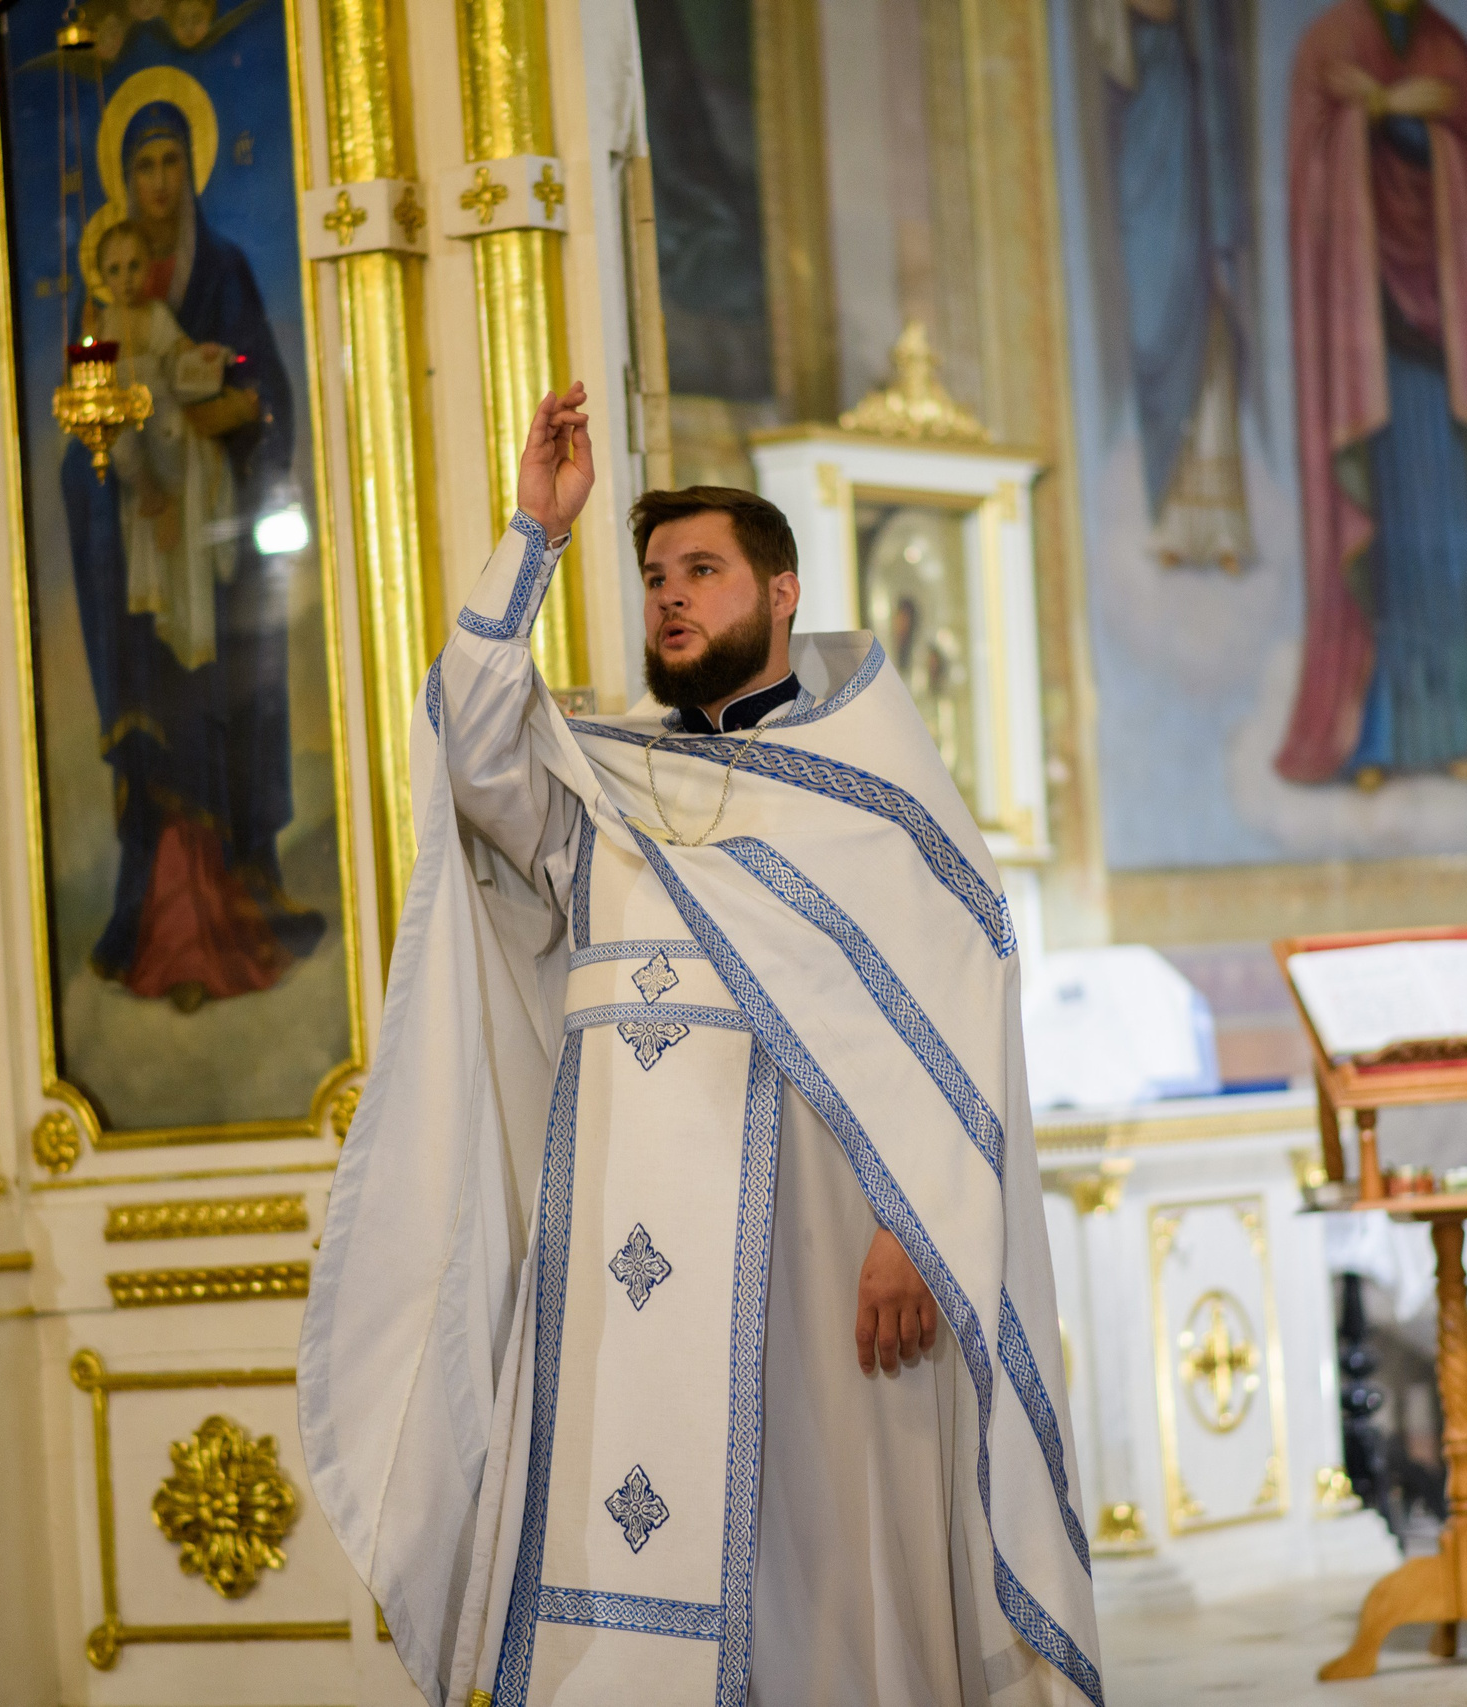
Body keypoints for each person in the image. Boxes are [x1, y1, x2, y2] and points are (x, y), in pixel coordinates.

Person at [300, 385, 1101, 1706]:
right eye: (656, 576)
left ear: (782, 593)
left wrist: (912, 1224)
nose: (670, 595)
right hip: (620, 1277)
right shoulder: (607, 791)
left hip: (826, 1268)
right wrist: (535, 534)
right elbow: (469, 747)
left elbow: (954, 1026)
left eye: (703, 571)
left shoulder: (875, 802)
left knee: (839, 1578)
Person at [60, 95, 317, 1012]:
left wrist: (227, 417)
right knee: (158, 724)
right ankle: (157, 917)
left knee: (232, 703)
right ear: (124, 180)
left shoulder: (226, 273)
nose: (160, 180)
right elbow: (84, 433)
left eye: (172, 160)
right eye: (144, 165)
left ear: (193, 171)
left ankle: (247, 889)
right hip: (137, 553)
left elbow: (262, 390)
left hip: (221, 539)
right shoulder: (101, 304)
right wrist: (128, 478)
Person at [1277, 0, 1467, 788]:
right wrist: (1371, 117)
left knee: (1447, 534)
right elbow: (1314, 175)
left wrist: (1410, 120)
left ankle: (1460, 724)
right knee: (1382, 538)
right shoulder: (1328, 45)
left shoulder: (1448, 50)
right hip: (1366, 353)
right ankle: (1373, 733)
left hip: (1443, 356)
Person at [1090, 0, 1254, 569]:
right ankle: (1170, 519)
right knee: (1154, 332)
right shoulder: (1143, 62)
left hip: (1188, 177)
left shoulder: (1192, 68)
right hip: (1149, 176)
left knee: (1206, 335)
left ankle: (1221, 525)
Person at [92, 221, 239, 676]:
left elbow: (180, 358)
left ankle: (196, 646)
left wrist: (203, 357)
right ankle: (154, 500)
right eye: (115, 269)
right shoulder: (104, 325)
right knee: (127, 455)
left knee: (172, 436)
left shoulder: (155, 316)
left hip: (168, 428)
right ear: (102, 276)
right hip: (131, 435)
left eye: (135, 266)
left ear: (150, 270)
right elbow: (94, 386)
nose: (126, 278)